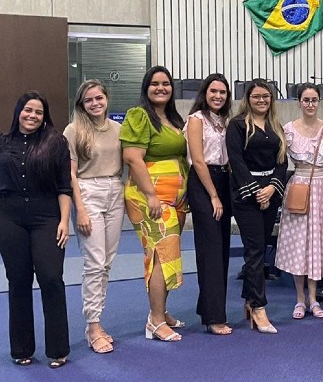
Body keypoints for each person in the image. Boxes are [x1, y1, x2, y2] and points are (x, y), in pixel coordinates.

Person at [0, 91, 72, 368]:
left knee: (51, 278)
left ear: (45, 117)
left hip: (46, 217)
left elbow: (64, 187)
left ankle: (58, 349)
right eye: (27, 110)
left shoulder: (56, 143)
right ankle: (22, 349)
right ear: (18, 112)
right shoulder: (3, 143)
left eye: (38, 112)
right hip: (9, 219)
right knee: (18, 282)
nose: (32, 116)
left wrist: (64, 221)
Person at [120, 65, 188, 342]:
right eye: (155, 84)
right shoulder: (139, 116)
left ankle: (158, 311)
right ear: (146, 88)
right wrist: (151, 195)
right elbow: (133, 157)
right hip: (151, 198)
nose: (161, 88)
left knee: (166, 254)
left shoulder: (174, 119)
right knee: (160, 255)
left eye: (166, 84)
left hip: (176, 200)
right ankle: (156, 321)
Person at [64, 81, 123, 353]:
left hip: (115, 190)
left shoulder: (118, 130)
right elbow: (71, 174)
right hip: (88, 191)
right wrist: (81, 210)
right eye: (89, 100)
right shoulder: (74, 130)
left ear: (106, 99)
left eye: (99, 98)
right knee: (94, 262)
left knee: (107, 262)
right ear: (81, 104)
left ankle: (97, 320)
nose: (95, 103)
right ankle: (93, 324)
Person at [227, 80, 286, 333]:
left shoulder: (275, 126)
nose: (262, 100)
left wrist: (272, 188)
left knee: (260, 248)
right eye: (256, 96)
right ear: (247, 99)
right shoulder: (238, 125)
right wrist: (255, 191)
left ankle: (249, 302)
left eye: (266, 96)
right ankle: (259, 307)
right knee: (254, 250)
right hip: (246, 194)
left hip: (270, 193)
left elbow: (282, 161)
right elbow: (236, 160)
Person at [276, 83, 323, 320]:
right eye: (306, 100)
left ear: (319, 102)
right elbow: (281, 162)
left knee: (316, 243)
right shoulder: (289, 130)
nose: (310, 104)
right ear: (299, 102)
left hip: (322, 188)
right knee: (298, 243)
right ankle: (299, 299)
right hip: (299, 187)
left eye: (314, 100)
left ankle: (314, 298)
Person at [184, 73, 234, 335]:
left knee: (221, 249)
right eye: (213, 91)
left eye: (223, 92)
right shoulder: (196, 120)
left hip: (224, 180)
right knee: (211, 250)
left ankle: (210, 309)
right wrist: (213, 195)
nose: (218, 96)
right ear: (204, 93)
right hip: (204, 184)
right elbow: (199, 160)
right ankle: (215, 317)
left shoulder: (225, 121)